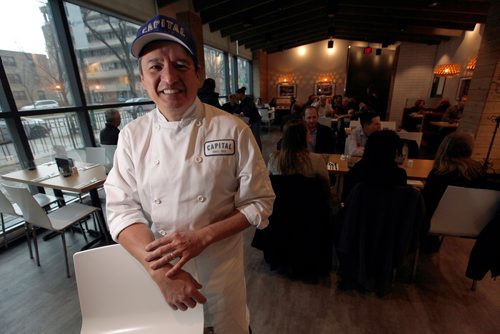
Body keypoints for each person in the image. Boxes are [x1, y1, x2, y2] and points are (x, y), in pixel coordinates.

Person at [104, 15, 275, 334]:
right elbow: (121, 210)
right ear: (142, 78)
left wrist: (203, 236)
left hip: (220, 274)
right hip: (162, 275)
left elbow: (260, 203)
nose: (168, 77)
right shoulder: (131, 136)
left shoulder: (233, 129)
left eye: (180, 64)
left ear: (198, 74)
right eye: (155, 66)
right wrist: (162, 275)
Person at [421, 131, 485, 252]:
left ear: (445, 147)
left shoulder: (439, 174)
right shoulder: (479, 173)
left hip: (434, 222)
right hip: (469, 223)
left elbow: (427, 203)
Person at [341, 130, 407, 202]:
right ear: (392, 152)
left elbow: (345, 202)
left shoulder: (355, 172)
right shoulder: (399, 175)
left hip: (359, 212)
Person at [268, 119, 330, 186]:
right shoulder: (317, 160)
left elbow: (268, 184)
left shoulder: (273, 160)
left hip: (281, 196)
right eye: (308, 133)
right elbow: (326, 186)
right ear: (305, 137)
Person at [236, 86, 262, 150]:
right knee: (252, 137)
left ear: (241, 94)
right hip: (251, 121)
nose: (236, 96)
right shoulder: (243, 101)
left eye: (237, 94)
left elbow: (250, 111)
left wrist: (242, 113)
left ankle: (259, 153)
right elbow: (238, 109)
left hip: (255, 121)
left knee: (256, 137)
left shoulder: (249, 100)